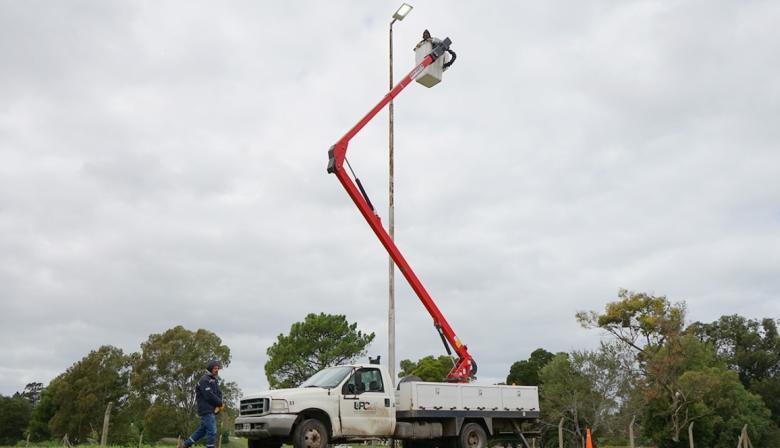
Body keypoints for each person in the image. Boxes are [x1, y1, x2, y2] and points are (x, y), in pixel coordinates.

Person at [180, 360, 224, 448]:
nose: (217, 370)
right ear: (210, 368)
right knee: (212, 431)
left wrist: (220, 405)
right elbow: (208, 395)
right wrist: (220, 403)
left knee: (202, 431)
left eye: (218, 368)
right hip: (205, 410)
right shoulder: (204, 380)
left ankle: (184, 445)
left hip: (211, 410)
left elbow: (219, 393)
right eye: (215, 368)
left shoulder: (214, 380)